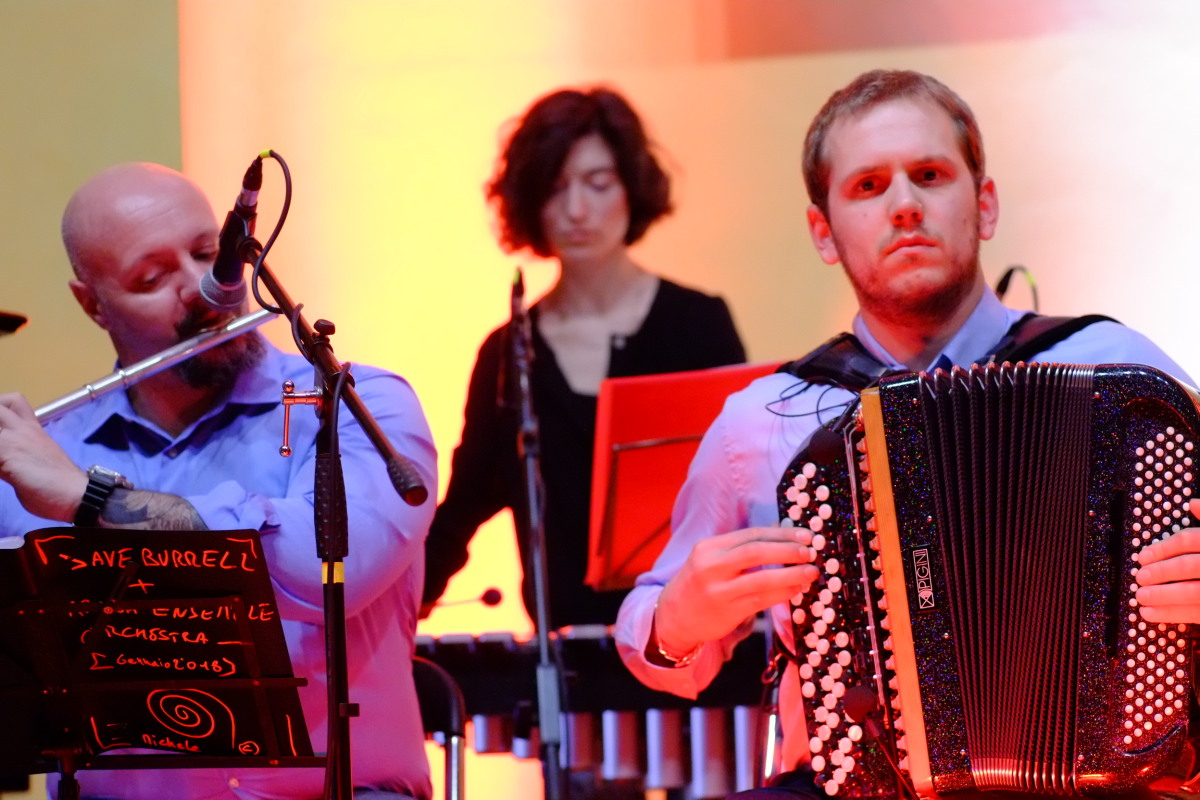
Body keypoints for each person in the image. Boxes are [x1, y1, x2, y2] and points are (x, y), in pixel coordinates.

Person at [613, 69, 1200, 798]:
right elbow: (648, 637)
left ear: (983, 205)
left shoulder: (1118, 373)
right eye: (867, 187)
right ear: (822, 232)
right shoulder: (763, 421)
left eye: (929, 175)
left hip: (1110, 780)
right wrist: (676, 620)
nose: (904, 207)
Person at [0, 162, 437, 800]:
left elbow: (331, 573)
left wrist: (93, 502)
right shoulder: (44, 453)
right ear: (92, 304)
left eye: (210, 253)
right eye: (151, 278)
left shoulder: (360, 407)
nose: (206, 289)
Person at [422, 87, 746, 629]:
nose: (577, 210)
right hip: (566, 655)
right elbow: (461, 510)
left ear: (631, 189)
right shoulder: (507, 354)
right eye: (555, 189)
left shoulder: (699, 324)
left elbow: (741, 485)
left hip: (691, 642)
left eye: (597, 184)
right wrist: (380, 609)